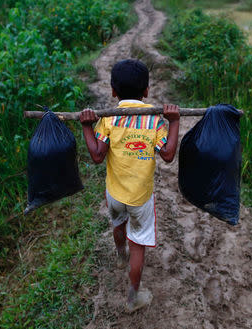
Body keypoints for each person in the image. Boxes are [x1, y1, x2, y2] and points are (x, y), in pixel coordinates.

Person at [79, 59, 180, 313]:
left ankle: (120, 255)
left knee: (117, 225)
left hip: (114, 194)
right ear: (146, 91)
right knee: (139, 246)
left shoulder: (110, 119)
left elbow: (97, 156)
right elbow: (167, 155)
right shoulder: (154, 122)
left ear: (113, 91)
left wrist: (86, 127)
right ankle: (134, 297)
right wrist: (175, 121)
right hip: (140, 198)